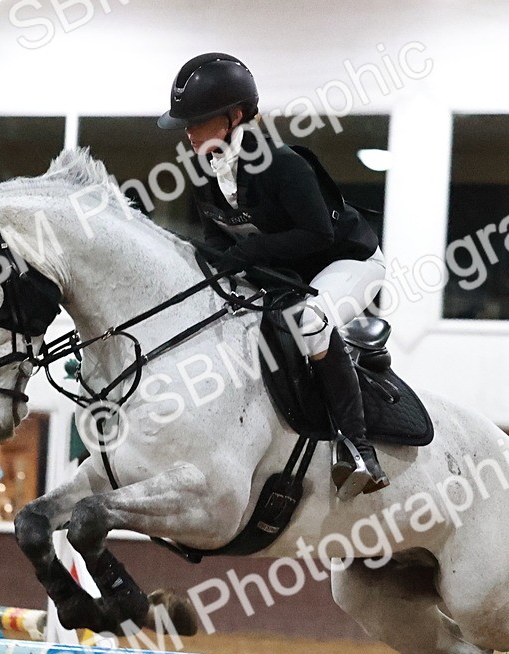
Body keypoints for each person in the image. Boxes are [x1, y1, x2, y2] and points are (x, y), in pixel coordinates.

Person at [158, 52, 388, 498]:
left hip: (346, 263)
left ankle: (357, 448)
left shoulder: (283, 164)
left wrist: (250, 251)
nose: (187, 131)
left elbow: (317, 233)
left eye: (197, 120)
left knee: (311, 322)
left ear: (234, 117)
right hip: (287, 275)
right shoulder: (207, 176)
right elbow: (220, 241)